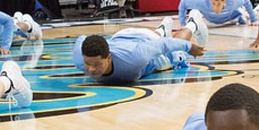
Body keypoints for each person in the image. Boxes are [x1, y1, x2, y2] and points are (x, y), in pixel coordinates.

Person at [72, 16, 207, 84]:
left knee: (177, 54)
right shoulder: (79, 59)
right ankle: (162, 28)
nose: (91, 70)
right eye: (88, 64)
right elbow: (82, 38)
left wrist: (189, 47)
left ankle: (193, 23)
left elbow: (163, 45)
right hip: (120, 37)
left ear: (108, 58)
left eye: (97, 64)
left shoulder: (135, 58)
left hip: (144, 40)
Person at [178, 0, 259, 27]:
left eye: (218, 4)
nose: (216, 7)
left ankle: (255, 10)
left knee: (244, 17)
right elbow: (183, 3)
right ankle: (243, 15)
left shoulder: (232, 1)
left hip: (231, 16)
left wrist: (253, 19)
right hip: (213, 20)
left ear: (224, 2)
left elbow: (245, 0)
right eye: (213, 4)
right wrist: (183, 24)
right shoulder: (203, 2)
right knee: (194, 12)